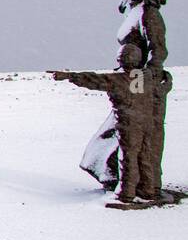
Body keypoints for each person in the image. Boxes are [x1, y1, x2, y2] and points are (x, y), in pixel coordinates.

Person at [79, 0, 169, 192]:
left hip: (139, 83)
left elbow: (158, 52)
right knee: (117, 135)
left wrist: (141, 85)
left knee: (130, 134)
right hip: (130, 79)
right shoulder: (135, 11)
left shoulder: (148, 13)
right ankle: (122, 180)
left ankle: (135, 187)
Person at [53, 45, 160, 203]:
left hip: (128, 124)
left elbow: (92, 79)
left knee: (128, 158)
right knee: (144, 156)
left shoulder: (117, 79)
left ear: (121, 59)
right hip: (146, 124)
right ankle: (148, 189)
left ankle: (126, 192)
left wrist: (68, 76)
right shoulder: (147, 78)